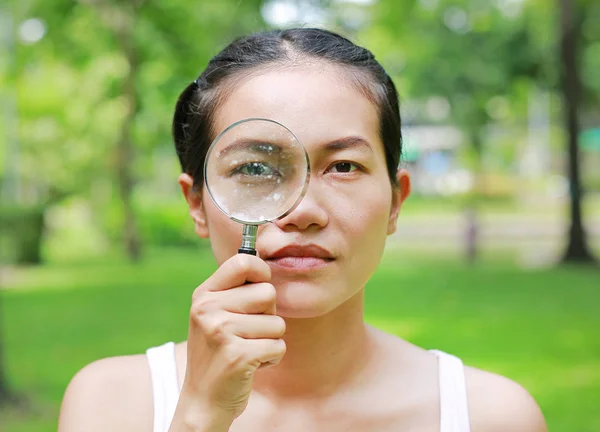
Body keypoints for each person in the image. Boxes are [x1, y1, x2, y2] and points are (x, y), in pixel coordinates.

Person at [58, 28, 547, 432]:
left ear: (397, 199)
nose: (304, 210)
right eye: (254, 168)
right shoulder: (110, 407)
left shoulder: (492, 416)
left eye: (344, 167)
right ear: (198, 202)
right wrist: (198, 417)